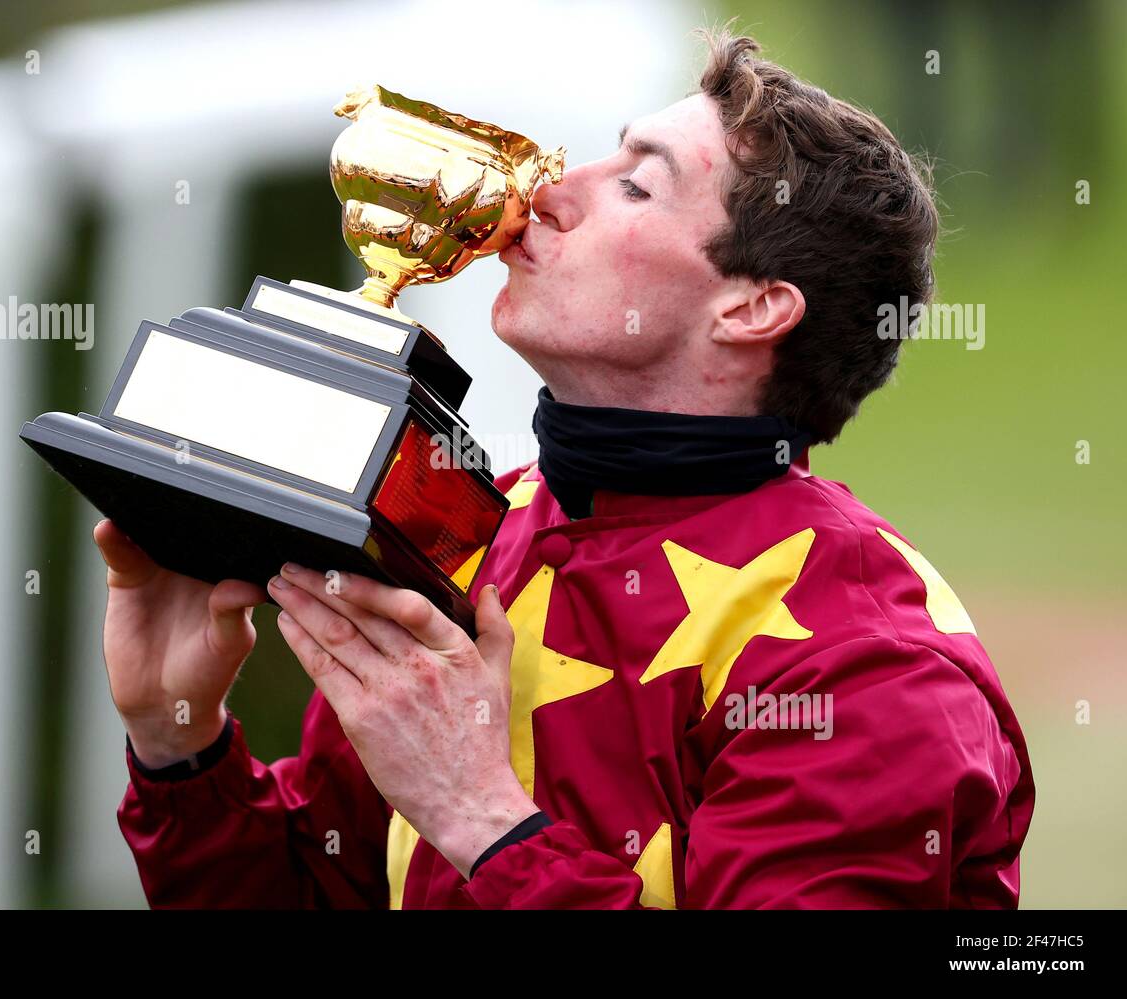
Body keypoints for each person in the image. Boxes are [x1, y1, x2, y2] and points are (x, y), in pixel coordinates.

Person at [99, 27, 1034, 909]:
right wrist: (179, 742)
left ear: (752, 310)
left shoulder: (863, 662)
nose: (549, 190)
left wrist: (482, 820)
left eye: (636, 186)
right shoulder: (468, 530)